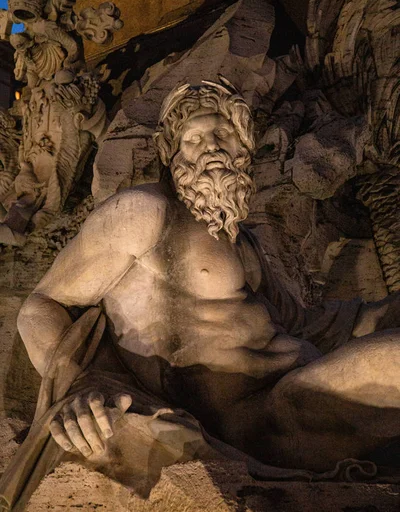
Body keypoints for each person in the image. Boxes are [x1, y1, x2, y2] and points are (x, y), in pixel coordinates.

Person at [16, 79, 400, 474]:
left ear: (243, 147)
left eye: (222, 133)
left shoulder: (241, 239)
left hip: (301, 382)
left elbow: (309, 325)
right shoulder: (143, 212)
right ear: (172, 154)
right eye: (193, 138)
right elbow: (40, 305)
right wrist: (77, 385)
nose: (211, 146)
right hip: (267, 420)